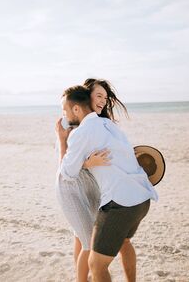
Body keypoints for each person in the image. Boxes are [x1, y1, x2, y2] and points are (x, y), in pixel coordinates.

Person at [57, 85, 158, 282]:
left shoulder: (81, 133)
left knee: (96, 265)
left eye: (65, 111)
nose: (65, 116)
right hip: (142, 199)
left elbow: (67, 173)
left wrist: (68, 146)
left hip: (120, 205)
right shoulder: (110, 125)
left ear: (76, 109)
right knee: (118, 244)